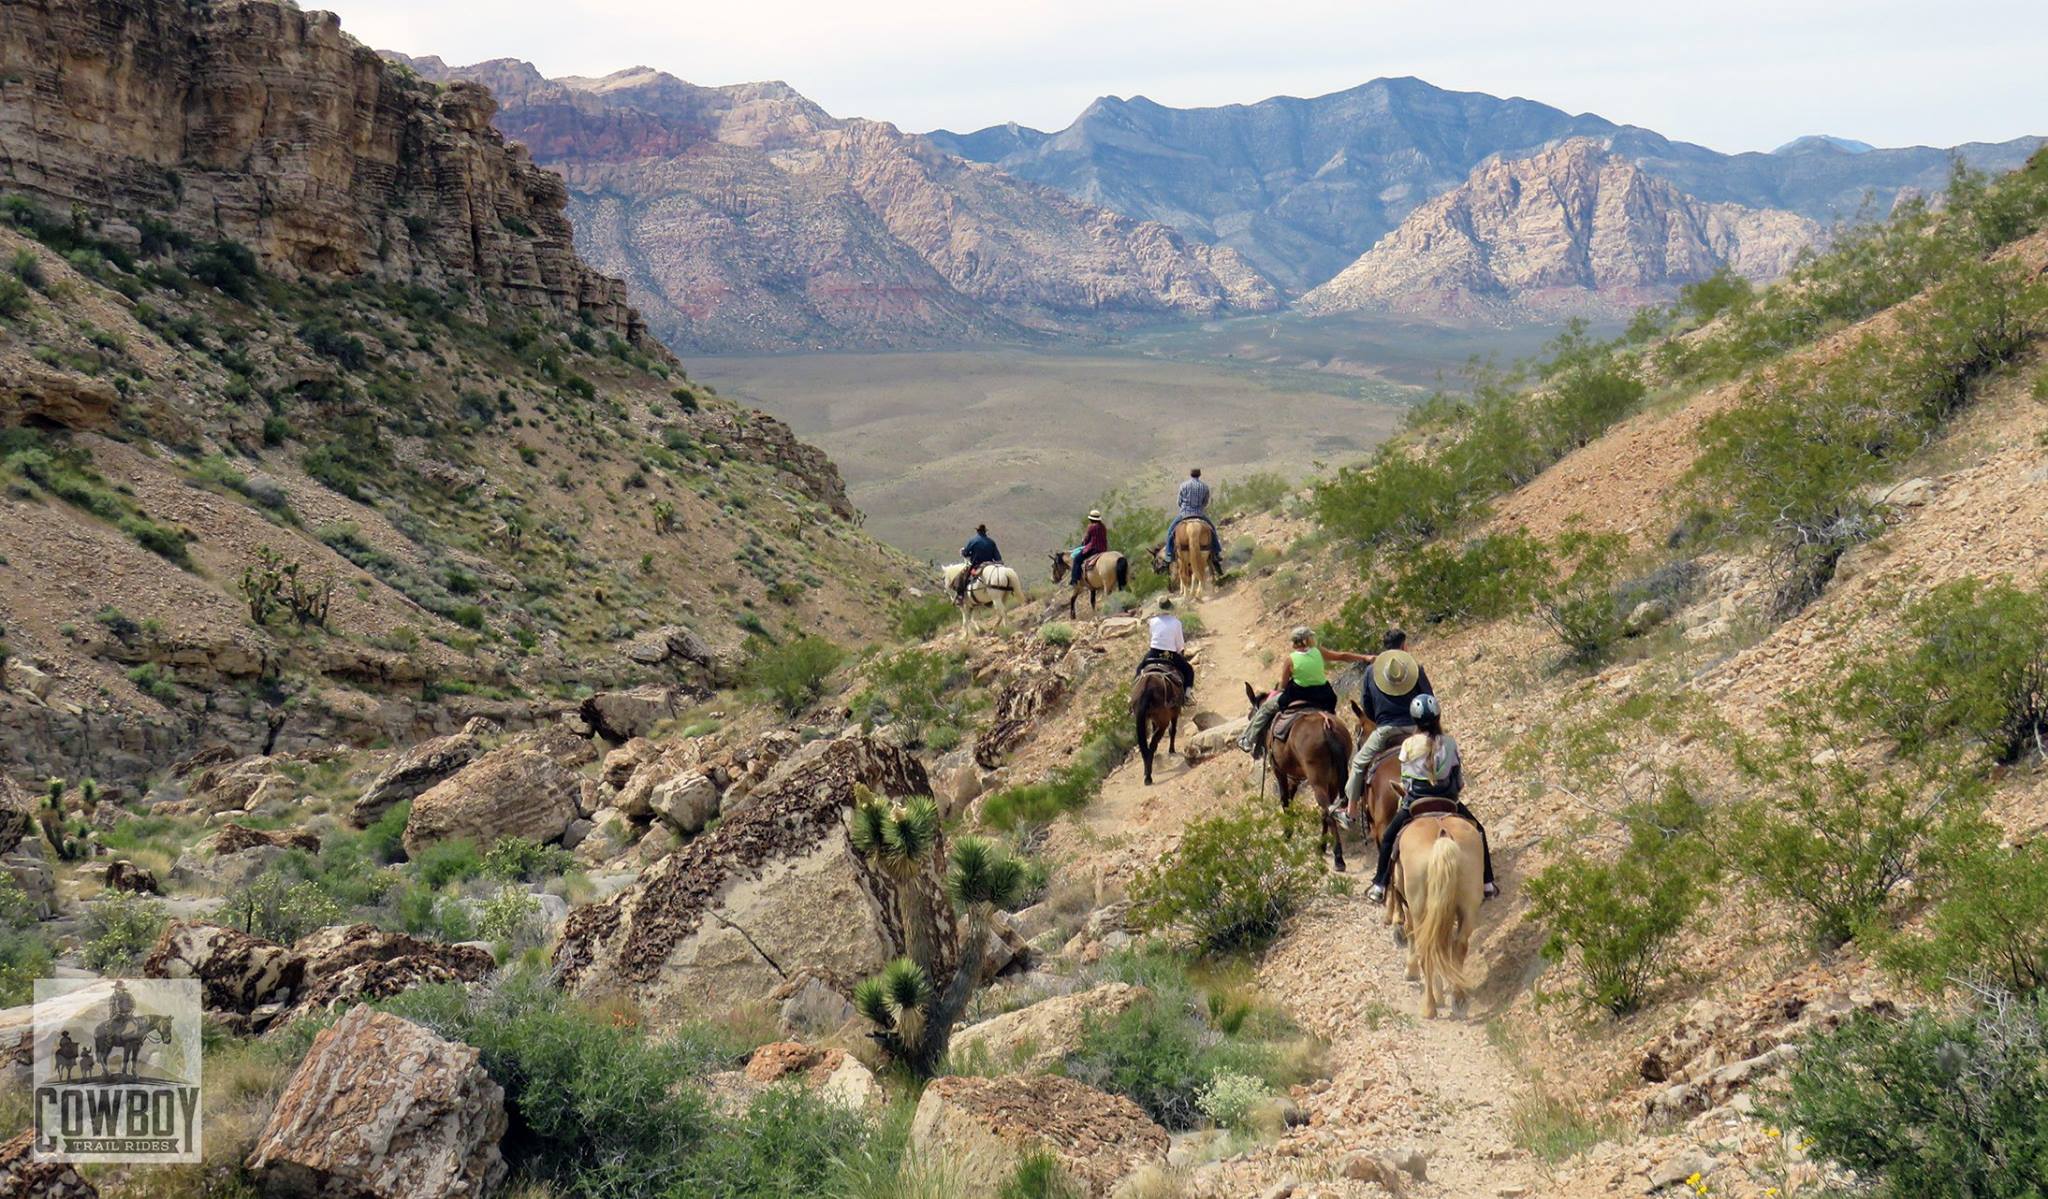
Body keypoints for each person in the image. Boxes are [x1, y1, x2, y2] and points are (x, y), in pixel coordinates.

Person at [1366, 693, 1497, 905]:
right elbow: (1459, 779)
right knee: (1479, 831)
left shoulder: (1408, 745)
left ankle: (1380, 884)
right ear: (1438, 717)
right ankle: (1487, 882)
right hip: (1447, 800)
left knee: (1389, 836)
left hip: (1415, 802)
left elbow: (1406, 779)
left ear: (1414, 720)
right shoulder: (1450, 743)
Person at [1239, 627, 1371, 757]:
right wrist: (1365, 657)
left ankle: (1248, 739)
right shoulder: (1318, 651)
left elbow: (1283, 685)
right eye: (1311, 637)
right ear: (1305, 640)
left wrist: (1277, 691)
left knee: (1266, 708)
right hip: (1324, 696)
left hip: (1299, 694)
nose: (1313, 639)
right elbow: (1342, 656)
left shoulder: (1290, 660)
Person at [1343, 629, 1435, 808]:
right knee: (1441, 759)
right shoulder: (1415, 668)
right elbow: (1428, 699)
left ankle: (1351, 810)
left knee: (1358, 763)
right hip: (1416, 729)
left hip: (1386, 730)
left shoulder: (1371, 672)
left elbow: (1366, 704)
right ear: (1403, 645)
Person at [1161, 467, 1225, 575]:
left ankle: (1169, 554)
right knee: (1213, 530)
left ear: (1190, 474)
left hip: (1184, 514)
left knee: (1170, 532)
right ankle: (1216, 552)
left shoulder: (1183, 485)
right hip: (1200, 514)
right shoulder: (1204, 487)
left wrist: (1184, 508)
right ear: (1199, 475)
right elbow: (1205, 502)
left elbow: (1179, 501)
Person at [1135, 598, 1195, 691]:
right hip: (1168, 654)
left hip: (1153, 652)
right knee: (1189, 670)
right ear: (1170, 608)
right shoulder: (1176, 623)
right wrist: (1179, 651)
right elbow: (1180, 644)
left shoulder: (1152, 621)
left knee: (1139, 669)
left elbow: (1152, 637)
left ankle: (1133, 693)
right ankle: (1187, 695)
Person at [956, 523, 1002, 599]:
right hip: (990, 564)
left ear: (978, 531)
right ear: (985, 532)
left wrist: (963, 552)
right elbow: (998, 558)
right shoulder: (991, 542)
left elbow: (966, 553)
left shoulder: (973, 541)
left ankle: (960, 595)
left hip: (977, 566)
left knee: (962, 575)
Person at [1069, 509, 1109, 584]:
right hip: (1103, 548)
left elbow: (1087, 539)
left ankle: (1075, 579)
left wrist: (1084, 542)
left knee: (1077, 559)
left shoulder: (1091, 527)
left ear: (1091, 519)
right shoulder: (1103, 527)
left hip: (1093, 548)